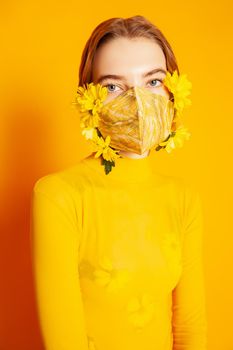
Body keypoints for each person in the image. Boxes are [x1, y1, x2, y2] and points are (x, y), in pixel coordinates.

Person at [30, 15, 207, 350]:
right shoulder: (59, 196)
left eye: (153, 81)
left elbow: (189, 328)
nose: (137, 102)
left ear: (173, 92)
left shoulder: (183, 198)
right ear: (89, 100)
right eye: (113, 86)